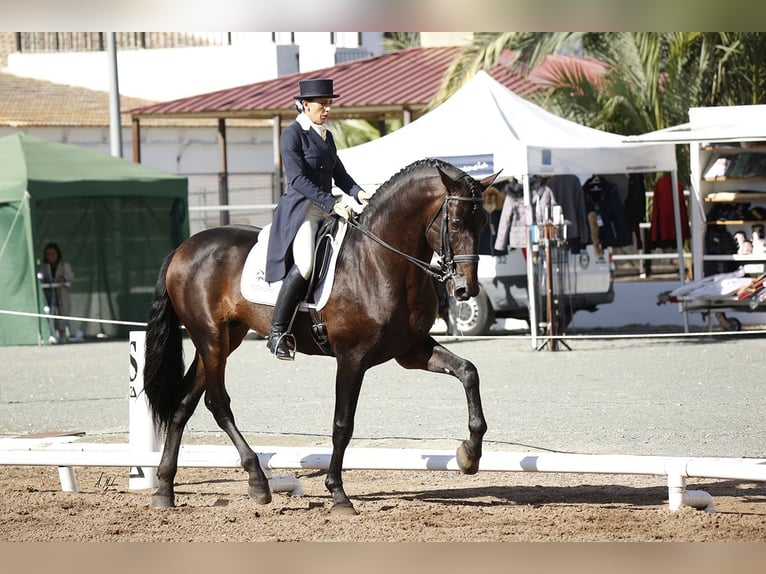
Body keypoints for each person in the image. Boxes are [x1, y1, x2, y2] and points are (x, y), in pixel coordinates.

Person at [265, 78, 372, 360]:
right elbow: (298, 179)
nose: (327, 109)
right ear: (304, 104)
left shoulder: (326, 135)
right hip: (302, 212)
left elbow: (340, 174)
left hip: (329, 208)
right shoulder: (292, 135)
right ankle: (277, 333)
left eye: (329, 104)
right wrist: (333, 202)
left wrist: (359, 194)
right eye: (322, 104)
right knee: (306, 264)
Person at [38, 242, 75, 342]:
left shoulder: (64, 265)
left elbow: (70, 277)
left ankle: (65, 336)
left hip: (62, 296)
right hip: (49, 296)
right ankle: (52, 335)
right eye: (48, 254)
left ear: (57, 254)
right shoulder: (43, 267)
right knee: (50, 314)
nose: (50, 256)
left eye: (53, 254)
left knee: (63, 316)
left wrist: (61, 279)